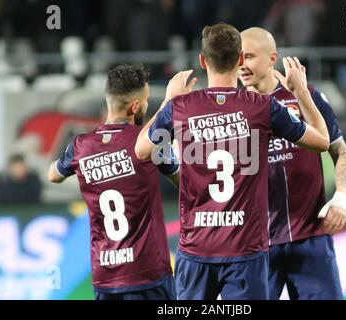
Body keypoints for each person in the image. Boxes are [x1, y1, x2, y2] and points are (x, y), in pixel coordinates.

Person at [135, 23, 330, 300]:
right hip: (245, 252)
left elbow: (142, 150)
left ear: (203, 61)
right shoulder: (262, 107)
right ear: (239, 60)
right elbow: (322, 141)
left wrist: (168, 100)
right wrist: (301, 93)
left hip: (195, 251)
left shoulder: (181, 107)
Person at [239, 27, 346, 300]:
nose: (242, 65)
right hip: (257, 246)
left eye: (250, 57)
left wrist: (341, 197)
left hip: (311, 238)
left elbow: (341, 153)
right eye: (238, 58)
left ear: (272, 58)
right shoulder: (231, 110)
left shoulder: (307, 97)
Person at [47, 64, 179, 300]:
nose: (147, 104)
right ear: (135, 106)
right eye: (146, 99)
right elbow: (182, 182)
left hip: (105, 276)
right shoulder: (147, 145)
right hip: (147, 274)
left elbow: (53, 175)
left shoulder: (80, 146)